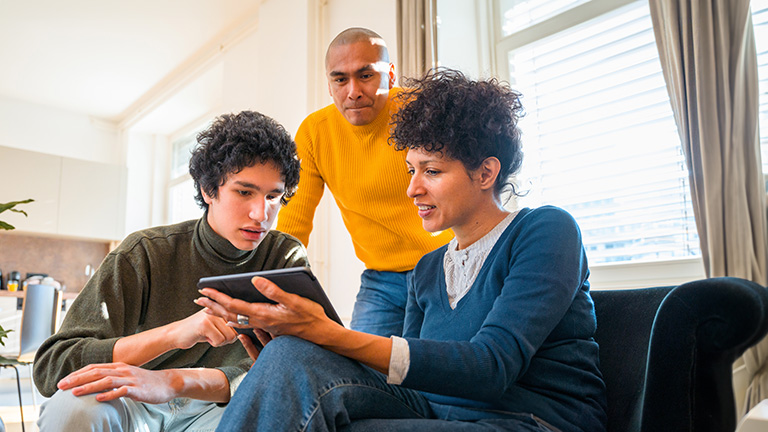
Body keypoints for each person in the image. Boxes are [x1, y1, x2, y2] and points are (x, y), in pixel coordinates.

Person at [198, 69, 608, 432]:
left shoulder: (545, 230)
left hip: (530, 422)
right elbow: (408, 376)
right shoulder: (428, 269)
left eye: (431, 171)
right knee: (290, 356)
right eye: (411, 170)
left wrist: (331, 335)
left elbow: (491, 367)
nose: (412, 188)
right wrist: (302, 350)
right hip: (436, 416)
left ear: (486, 172)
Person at [32, 111, 309, 431]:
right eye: (244, 192)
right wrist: (176, 334)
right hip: (133, 398)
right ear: (208, 190)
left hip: (219, 406)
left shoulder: (284, 257)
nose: (261, 213)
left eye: (273, 196)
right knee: (75, 408)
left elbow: (291, 365)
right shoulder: (143, 253)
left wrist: (174, 381)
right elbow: (52, 368)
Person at [276, 27, 453, 337]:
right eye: (340, 79)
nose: (353, 91)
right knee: (362, 377)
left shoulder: (421, 111)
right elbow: (294, 221)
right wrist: (274, 286)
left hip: (446, 264)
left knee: (438, 371)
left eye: (366, 75)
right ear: (329, 85)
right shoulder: (315, 133)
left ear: (391, 75)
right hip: (381, 279)